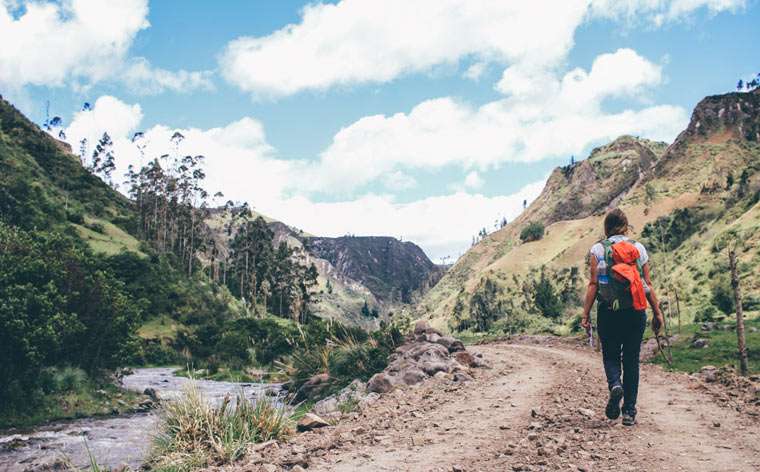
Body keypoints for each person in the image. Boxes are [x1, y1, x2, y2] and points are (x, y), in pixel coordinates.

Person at [581, 208, 665, 426]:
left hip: (609, 312)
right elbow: (647, 284)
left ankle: (615, 385)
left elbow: (593, 284)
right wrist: (657, 312)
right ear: (626, 226)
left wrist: (585, 314)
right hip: (635, 312)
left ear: (606, 228)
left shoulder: (598, 249)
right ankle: (629, 412)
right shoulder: (638, 248)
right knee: (631, 360)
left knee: (610, 356)